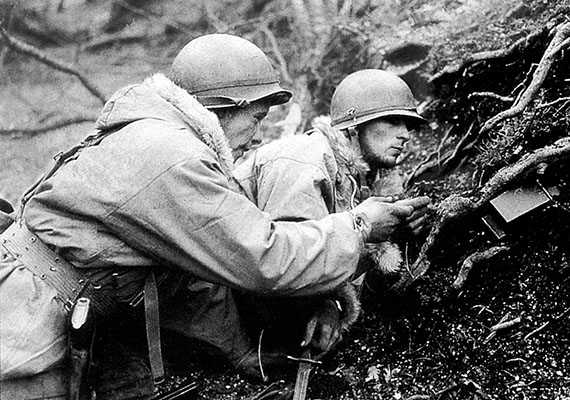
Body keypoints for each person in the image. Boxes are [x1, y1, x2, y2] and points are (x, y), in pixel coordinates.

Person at [0, 36, 417, 399]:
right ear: (224, 107)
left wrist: (240, 350)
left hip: (76, 312)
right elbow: (265, 257)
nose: (258, 137)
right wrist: (359, 227)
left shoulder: (169, 141)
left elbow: (189, 281)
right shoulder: (171, 157)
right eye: (256, 119)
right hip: (26, 322)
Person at [233, 68, 431, 356]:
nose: (405, 135)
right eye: (393, 121)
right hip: (218, 311)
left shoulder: (360, 179)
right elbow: (282, 263)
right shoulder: (305, 159)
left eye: (408, 126)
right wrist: (327, 304)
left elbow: (332, 252)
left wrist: (394, 232)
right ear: (353, 126)